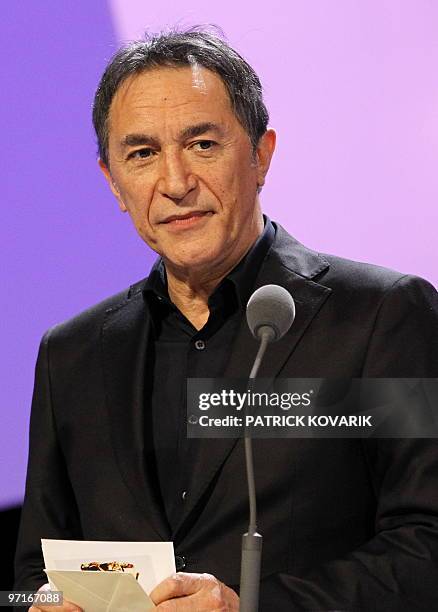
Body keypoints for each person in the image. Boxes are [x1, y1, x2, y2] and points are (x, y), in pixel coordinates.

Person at [14, 28, 438, 611]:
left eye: (202, 144)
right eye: (141, 154)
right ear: (113, 182)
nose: (175, 183)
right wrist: (42, 600)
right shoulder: (73, 355)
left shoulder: (379, 317)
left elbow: (428, 547)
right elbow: (35, 570)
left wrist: (251, 607)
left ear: (261, 155)